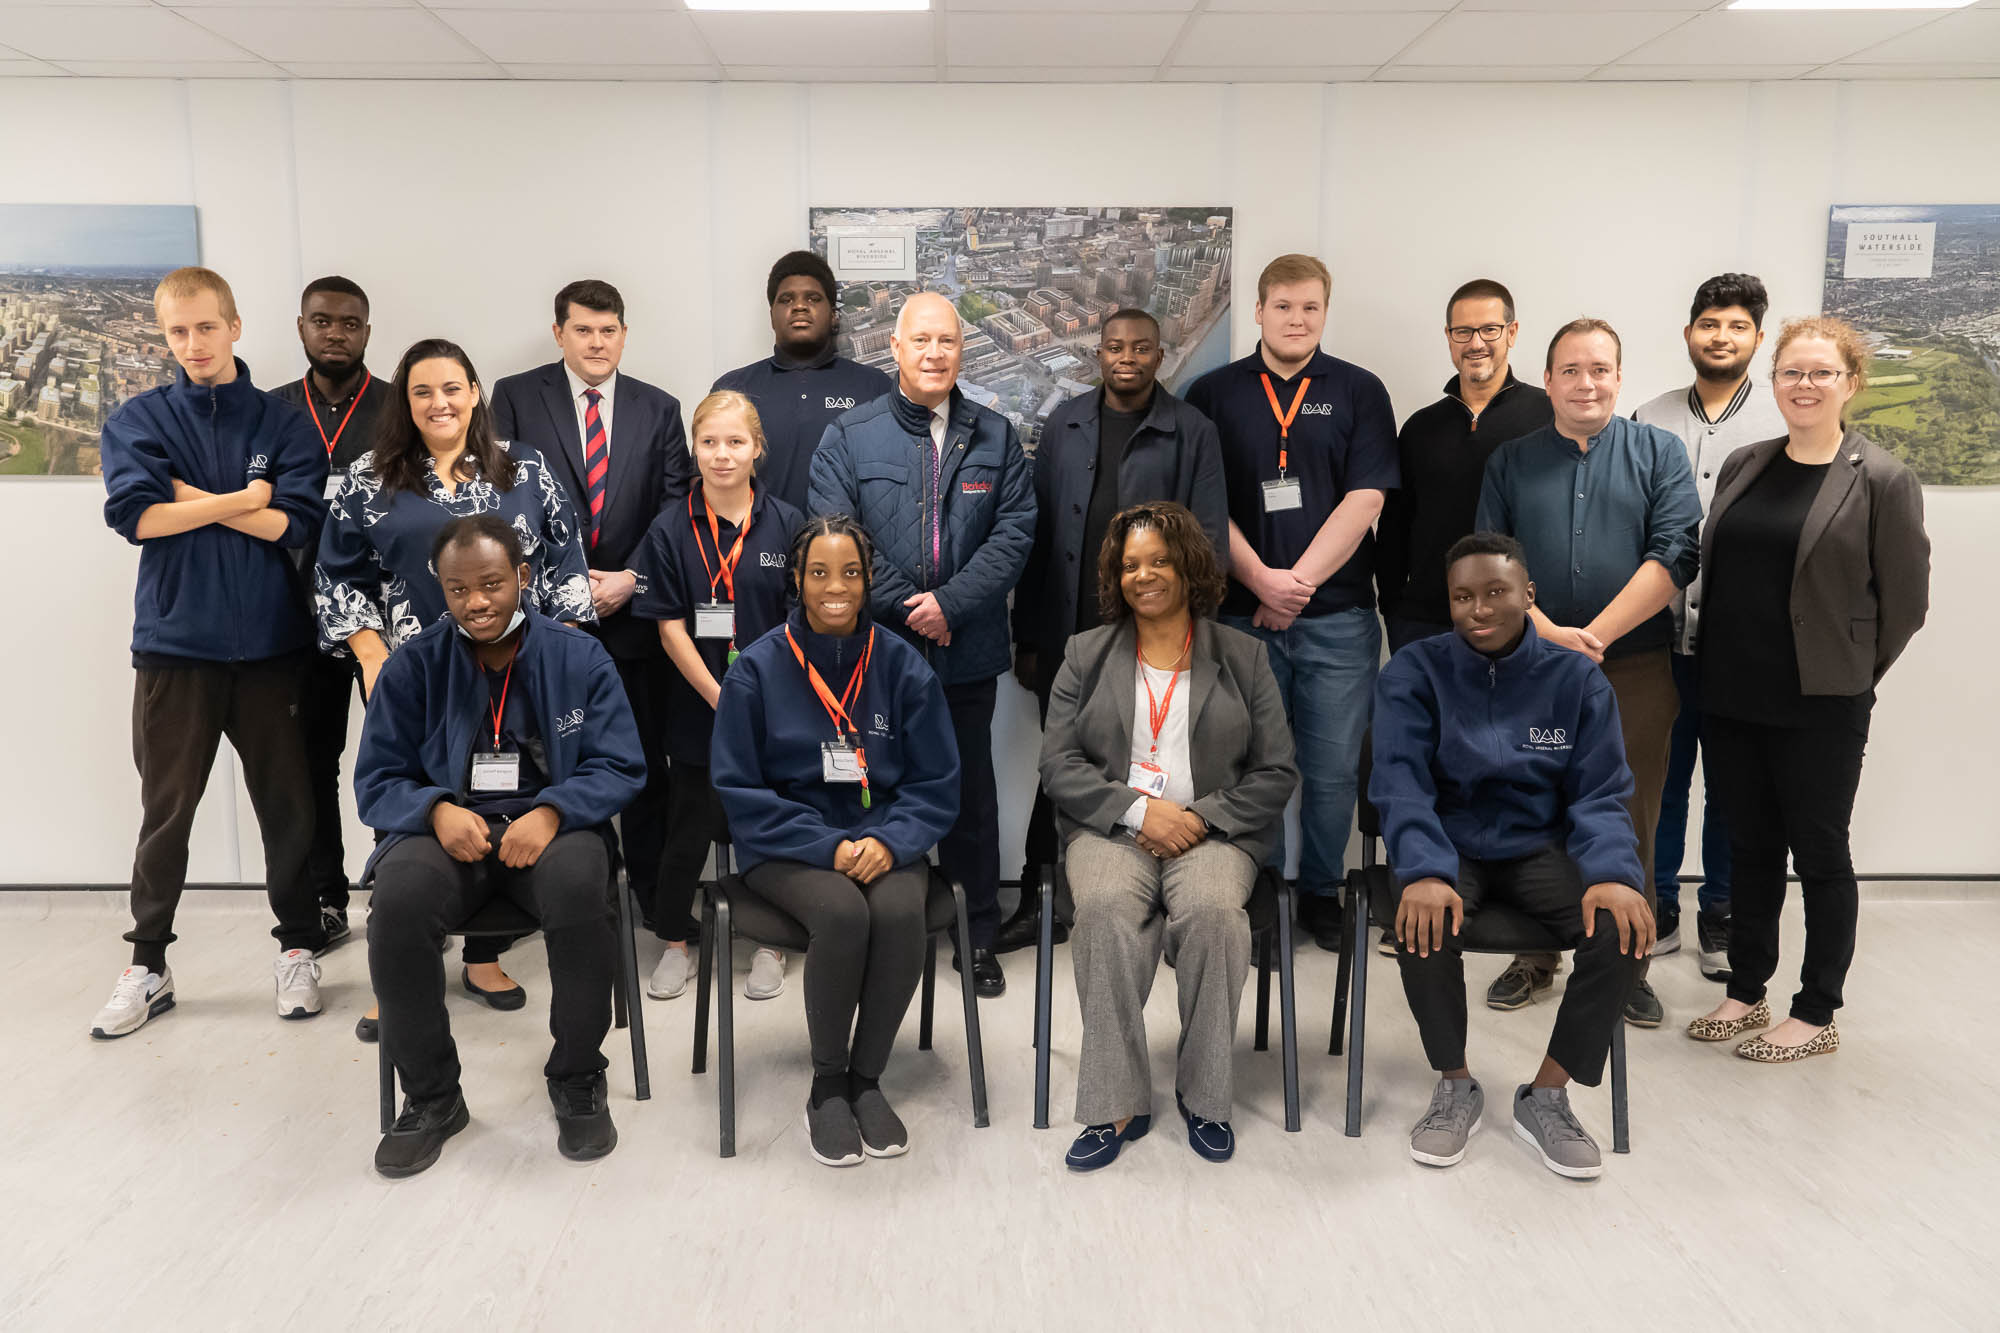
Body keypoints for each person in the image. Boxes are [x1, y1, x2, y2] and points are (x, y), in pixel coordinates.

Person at [317, 337, 596, 1029]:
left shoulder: (525, 469)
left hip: (518, 677)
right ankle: (401, 967)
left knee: (506, 799)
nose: (438, 402)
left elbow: (566, 565)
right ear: (403, 402)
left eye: (451, 388)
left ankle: (482, 955)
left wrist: (568, 663)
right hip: (413, 679)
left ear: (475, 392)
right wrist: (372, 652)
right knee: (412, 809)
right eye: (422, 391)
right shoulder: (367, 477)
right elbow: (333, 574)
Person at [357, 515, 646, 1177]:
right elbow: (376, 779)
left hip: (549, 832)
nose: (476, 601)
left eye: (491, 583)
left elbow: (622, 764)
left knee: (581, 888)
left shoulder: (579, 657)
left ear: (522, 576)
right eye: (458, 589)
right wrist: (433, 809)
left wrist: (554, 809)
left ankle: (576, 1074)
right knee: (397, 901)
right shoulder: (413, 664)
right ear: (442, 588)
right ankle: (433, 1096)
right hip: (449, 835)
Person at [92, 266, 330, 1040]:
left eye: (204, 326)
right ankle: (148, 964)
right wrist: (241, 501)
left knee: (288, 810)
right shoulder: (138, 418)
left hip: (271, 648)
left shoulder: (283, 421)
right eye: (176, 332)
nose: (192, 343)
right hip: (175, 648)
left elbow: (293, 526)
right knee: (165, 815)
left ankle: (297, 946)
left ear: (233, 325)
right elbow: (136, 518)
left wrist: (187, 497)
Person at [1686, 317, 1929, 1064]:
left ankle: (1817, 1007)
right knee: (1750, 846)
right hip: (1733, 692)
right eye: (1793, 371)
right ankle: (1747, 989)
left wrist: (1848, 673)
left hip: (1821, 703)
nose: (1805, 385)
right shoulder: (1746, 463)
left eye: (1822, 373)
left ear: (1850, 384)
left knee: (1821, 853)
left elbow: (1906, 604)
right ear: (1775, 379)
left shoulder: (1881, 478)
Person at [1371, 533, 1652, 1179]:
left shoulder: (1576, 678)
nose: (1478, 608)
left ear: (1528, 594)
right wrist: (1423, 868)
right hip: (1449, 843)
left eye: (1495, 591)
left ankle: (1547, 1094)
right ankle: (1455, 1084)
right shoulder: (1414, 671)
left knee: (1626, 926)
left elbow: (1602, 789)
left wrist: (1611, 872)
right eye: (1462, 596)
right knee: (1420, 923)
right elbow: (1399, 782)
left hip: (1538, 846)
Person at [1040, 503, 1295, 1171]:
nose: (1143, 574)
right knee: (1100, 914)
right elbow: (1058, 765)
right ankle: (1114, 1101)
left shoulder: (1243, 657)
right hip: (1112, 830)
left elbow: (1276, 771)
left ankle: (1205, 1095)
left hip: (1213, 831)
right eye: (1129, 564)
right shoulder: (1084, 654)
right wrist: (1135, 810)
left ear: (1189, 566)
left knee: (1216, 916)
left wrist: (1199, 816)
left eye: (1158, 560)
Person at [709, 515, 961, 1167]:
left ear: (869, 577)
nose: (835, 586)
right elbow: (738, 789)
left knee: (902, 910)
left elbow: (937, 782)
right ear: (796, 578)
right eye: (819, 571)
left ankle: (865, 1078)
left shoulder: (904, 667)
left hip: (884, 837)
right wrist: (827, 848)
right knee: (844, 911)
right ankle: (826, 1086)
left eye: (850, 571)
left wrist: (893, 838)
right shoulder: (756, 671)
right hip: (786, 846)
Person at [1475, 318, 1700, 1028]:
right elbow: (1490, 558)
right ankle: (1537, 953)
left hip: (1631, 666)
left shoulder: (1659, 453)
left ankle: (1624, 964)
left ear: (1619, 377)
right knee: (1535, 811)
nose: (1586, 383)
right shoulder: (1510, 460)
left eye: (1599, 369)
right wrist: (1544, 632)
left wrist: (1595, 635)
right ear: (1547, 381)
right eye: (1571, 370)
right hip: (1530, 668)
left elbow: (1677, 553)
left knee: (1630, 814)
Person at [808, 291, 1034, 998]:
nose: (935, 353)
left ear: (961, 352)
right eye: (922, 341)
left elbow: (1015, 534)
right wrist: (914, 606)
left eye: (948, 342)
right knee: (869, 794)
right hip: (874, 660)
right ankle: (876, 929)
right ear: (896, 350)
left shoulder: (997, 436)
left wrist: (952, 606)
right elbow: (836, 538)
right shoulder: (850, 436)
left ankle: (978, 936)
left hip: (965, 653)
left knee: (969, 796)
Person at [1183, 253, 1398, 954]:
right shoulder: (1212, 394)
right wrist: (1264, 585)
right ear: (1258, 310)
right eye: (1283, 306)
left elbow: (1365, 498)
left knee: (1333, 768)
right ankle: (1265, 891)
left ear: (1325, 313)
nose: (1297, 319)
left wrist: (1295, 585)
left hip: (1336, 618)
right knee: (1254, 766)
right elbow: (1203, 508)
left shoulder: (1361, 391)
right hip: (1243, 619)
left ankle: (1319, 893)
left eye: (1310, 307)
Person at [1001, 308, 1229, 955]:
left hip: (1156, 645)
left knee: (1150, 772)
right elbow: (1040, 541)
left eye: (1141, 348)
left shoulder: (1192, 431)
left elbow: (1208, 542)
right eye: (1114, 347)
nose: (1126, 357)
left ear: (1160, 355)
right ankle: (1040, 899)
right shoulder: (1066, 424)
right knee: (1060, 771)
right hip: (1069, 638)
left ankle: (1138, 905)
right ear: (1098, 354)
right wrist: (1031, 639)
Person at [491, 279, 694, 954]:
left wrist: (631, 577)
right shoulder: (516, 397)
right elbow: (503, 501)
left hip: (636, 616)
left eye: (609, 331)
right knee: (552, 761)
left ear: (624, 335)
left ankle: (650, 896)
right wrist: (570, 586)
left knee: (638, 763)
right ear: (559, 333)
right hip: (549, 623)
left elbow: (674, 506)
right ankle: (562, 895)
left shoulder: (659, 408)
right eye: (583, 330)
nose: (597, 342)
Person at [1632, 274, 1787, 980]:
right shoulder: (1648, 416)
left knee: (1730, 785)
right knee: (1659, 779)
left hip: (1740, 644)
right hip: (1659, 640)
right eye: (1709, 324)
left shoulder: (1783, 422)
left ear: (1757, 337)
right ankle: (1657, 903)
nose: (1720, 336)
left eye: (1736, 326)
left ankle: (1719, 911)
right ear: (1689, 331)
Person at [630, 391, 803, 1003]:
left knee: (766, 829)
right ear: (694, 450)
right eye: (709, 442)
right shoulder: (670, 527)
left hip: (774, 711)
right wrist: (718, 695)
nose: (722, 454)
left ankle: (770, 944)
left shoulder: (787, 522)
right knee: (688, 829)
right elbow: (670, 624)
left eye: (735, 442)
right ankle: (675, 941)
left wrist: (754, 698)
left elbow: (797, 623)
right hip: (696, 710)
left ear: (757, 449)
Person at [272, 275, 398, 950]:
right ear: (301, 327)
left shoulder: (396, 408)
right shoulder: (269, 412)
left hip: (378, 615)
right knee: (309, 763)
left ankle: (397, 892)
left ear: (367, 333)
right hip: (292, 617)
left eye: (350, 323)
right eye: (323, 321)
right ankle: (325, 897)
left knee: (392, 755)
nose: (336, 333)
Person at [1377, 278, 1551, 654]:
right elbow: (1394, 529)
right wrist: (1393, 607)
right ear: (1448, 336)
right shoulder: (1420, 428)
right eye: (1463, 331)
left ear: (1512, 332)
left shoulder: (1549, 417)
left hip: (1524, 625)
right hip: (1426, 625)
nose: (1475, 343)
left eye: (1489, 329)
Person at [713, 250, 892, 513]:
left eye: (813, 298)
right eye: (786, 299)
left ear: (833, 315)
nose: (799, 306)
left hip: (848, 549)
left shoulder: (874, 387)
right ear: (772, 315)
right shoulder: (733, 389)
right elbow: (706, 485)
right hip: (754, 549)